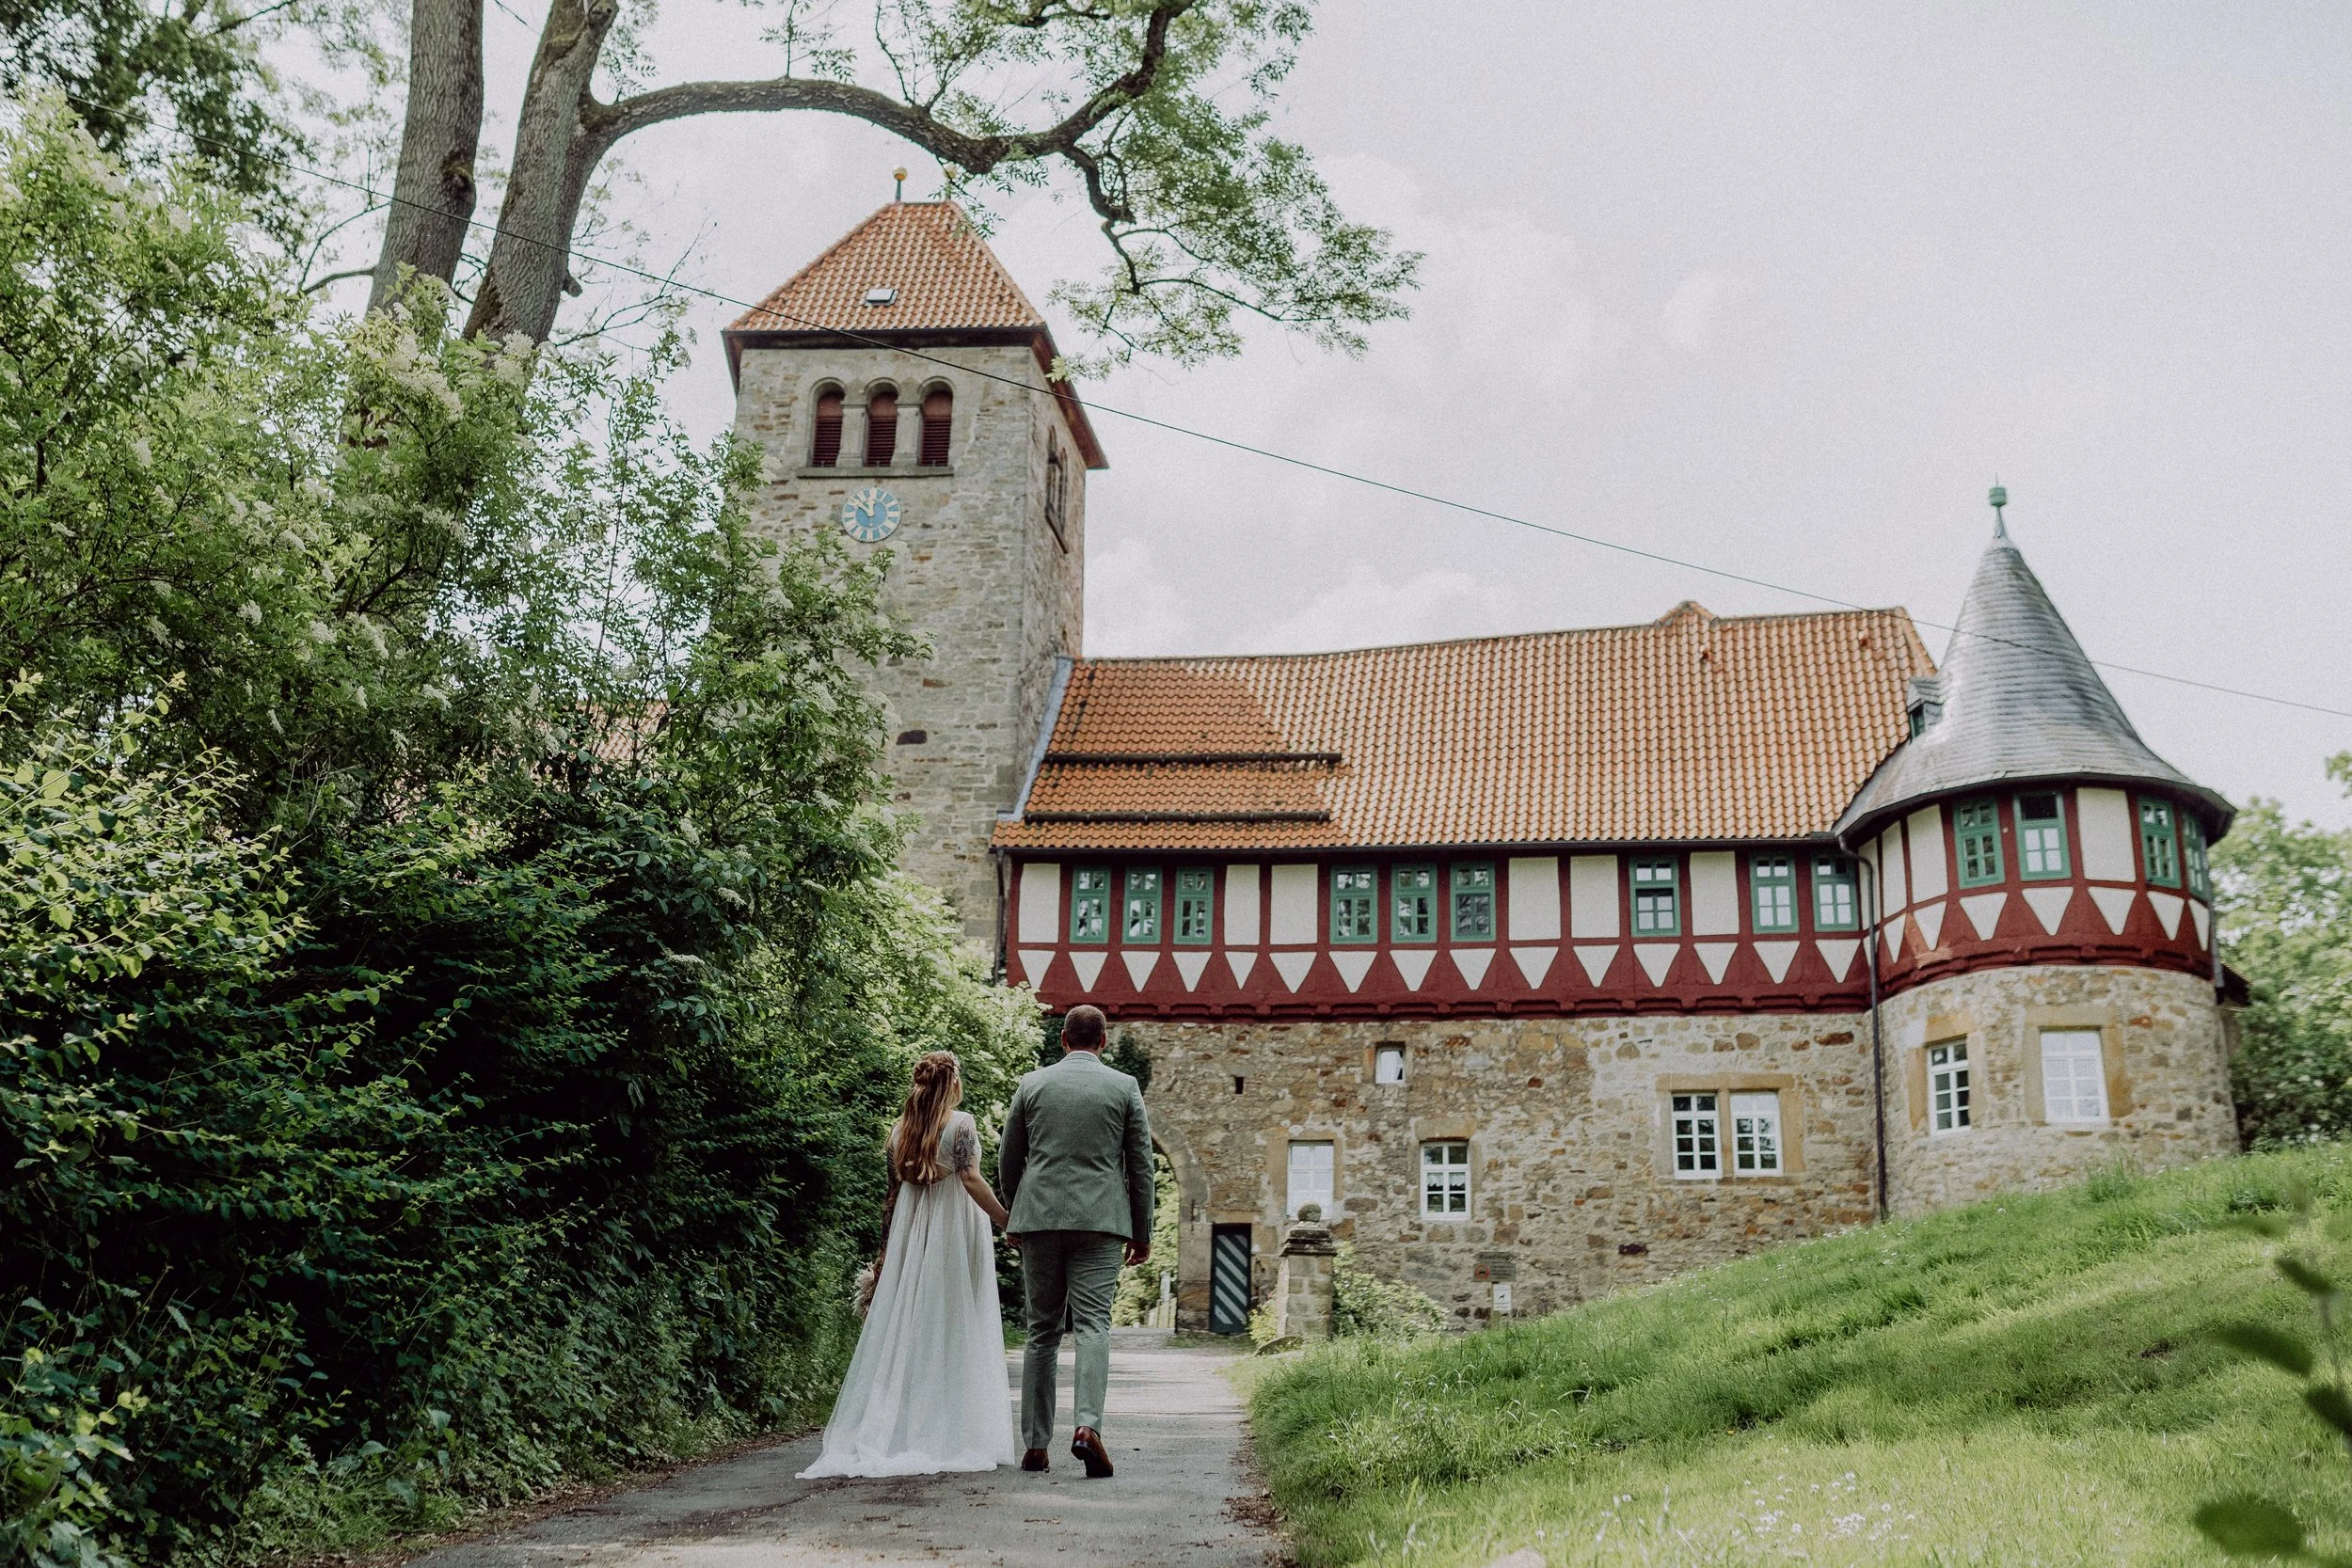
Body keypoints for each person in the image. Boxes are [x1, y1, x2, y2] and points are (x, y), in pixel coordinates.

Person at [798, 1051, 1016, 1478]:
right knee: (955, 1318)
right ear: (952, 1083)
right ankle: (950, 1424)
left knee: (911, 1322)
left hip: (910, 1234)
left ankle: (902, 1420)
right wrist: (1007, 1220)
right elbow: (970, 1178)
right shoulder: (962, 1123)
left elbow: (892, 1195)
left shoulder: (901, 1130)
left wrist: (884, 1254)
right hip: (954, 1231)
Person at [996, 1005, 1154, 1478]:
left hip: (1040, 1219)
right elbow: (1141, 1165)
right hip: (1102, 1221)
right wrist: (1142, 1232)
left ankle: (1036, 1444)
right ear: (1103, 1042)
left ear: (1062, 1039)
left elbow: (1009, 1158)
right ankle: (1088, 1428)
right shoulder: (1124, 1087)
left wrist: (1016, 1215)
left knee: (1041, 1330)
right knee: (1092, 1326)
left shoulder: (1032, 1084)